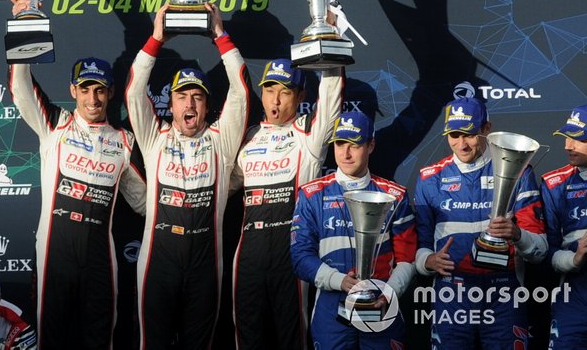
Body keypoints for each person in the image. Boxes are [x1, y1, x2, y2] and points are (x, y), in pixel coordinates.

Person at [8, 0, 146, 348]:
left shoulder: (124, 140)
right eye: (85, 89)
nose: (93, 99)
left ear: (112, 93)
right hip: (55, 252)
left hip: (102, 257)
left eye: (100, 90)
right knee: (51, 338)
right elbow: (20, 88)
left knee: (100, 338)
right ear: (73, 90)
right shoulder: (54, 124)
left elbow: (145, 202)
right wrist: (24, 27)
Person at [125, 3, 249, 349]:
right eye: (182, 97)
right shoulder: (153, 138)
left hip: (205, 266)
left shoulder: (221, 141)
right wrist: (156, 39)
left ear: (208, 106)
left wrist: (220, 37)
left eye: (197, 97)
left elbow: (240, 89)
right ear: (171, 103)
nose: (190, 105)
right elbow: (134, 91)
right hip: (157, 265)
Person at [413, 97, 547, 349]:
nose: (461, 144)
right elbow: (421, 244)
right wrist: (427, 261)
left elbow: (539, 250)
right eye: (454, 134)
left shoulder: (520, 170)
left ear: (487, 129)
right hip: (450, 293)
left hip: (504, 293)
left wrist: (517, 234)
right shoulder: (429, 178)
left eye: (469, 134)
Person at [230, 60, 342, 349]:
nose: (275, 100)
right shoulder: (248, 137)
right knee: (247, 335)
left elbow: (330, 98)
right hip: (248, 254)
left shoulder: (309, 135)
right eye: (269, 90)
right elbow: (218, 184)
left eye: (285, 92)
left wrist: (330, 49)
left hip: (291, 252)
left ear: (301, 97)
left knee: (293, 335)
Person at [291, 111, 417, 349]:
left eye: (354, 145)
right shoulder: (311, 194)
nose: (345, 153)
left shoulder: (395, 195)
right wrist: (339, 281)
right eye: (340, 144)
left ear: (371, 145)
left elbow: (407, 259)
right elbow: (299, 257)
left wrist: (388, 293)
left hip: (382, 306)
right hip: (331, 308)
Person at [540, 104, 587, 348]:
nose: (568, 146)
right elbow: (546, 252)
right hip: (574, 295)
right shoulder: (554, 184)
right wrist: (576, 259)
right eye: (567, 137)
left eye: (579, 139)